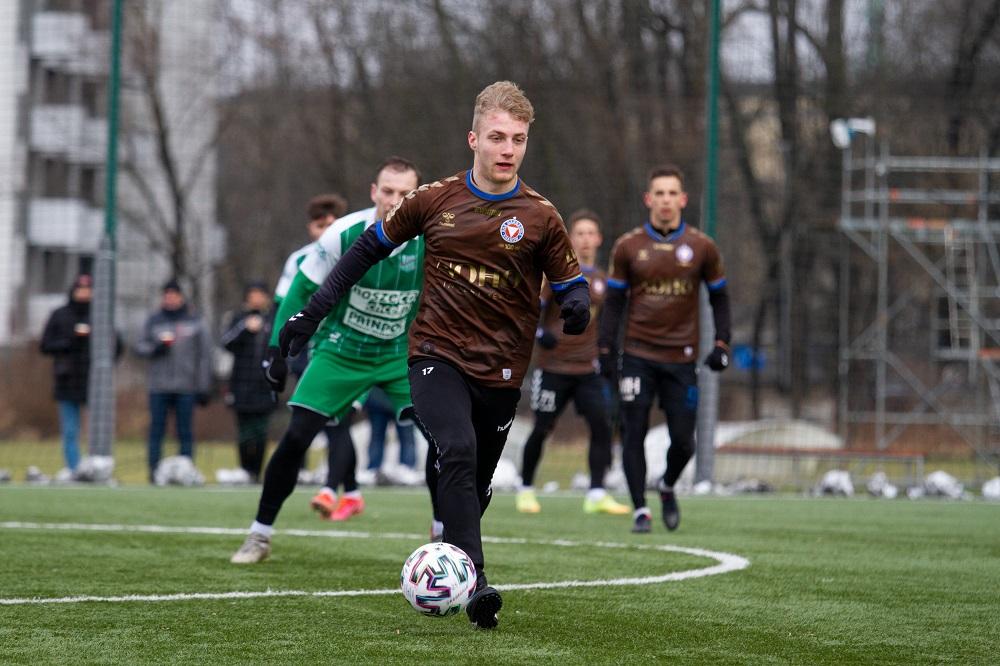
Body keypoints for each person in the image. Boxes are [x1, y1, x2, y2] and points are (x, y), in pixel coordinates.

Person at [273, 82, 590, 630]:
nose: (507, 148)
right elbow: (364, 251)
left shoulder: (540, 216)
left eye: (517, 139)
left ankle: (452, 548)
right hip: (434, 353)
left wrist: (576, 305)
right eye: (497, 136)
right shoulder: (434, 200)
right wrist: (313, 312)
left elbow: (570, 281)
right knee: (457, 449)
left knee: (477, 483)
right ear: (474, 139)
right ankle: (477, 585)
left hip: (503, 369)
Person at [230, 156, 423, 559]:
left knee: (444, 440)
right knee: (297, 436)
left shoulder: (432, 237)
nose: (395, 200)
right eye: (388, 191)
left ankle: (447, 539)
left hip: (399, 354)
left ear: (417, 196)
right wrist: (275, 351)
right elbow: (299, 290)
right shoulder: (343, 233)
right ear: (374, 192)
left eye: (405, 194)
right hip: (341, 351)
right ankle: (259, 534)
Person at [598, 164, 731, 534]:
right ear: (648, 199)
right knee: (633, 431)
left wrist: (722, 342)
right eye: (659, 193)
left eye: (673, 193)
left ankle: (668, 484)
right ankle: (640, 509)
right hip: (637, 356)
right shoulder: (628, 246)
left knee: (685, 442)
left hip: (682, 359)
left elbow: (720, 298)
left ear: (683, 199)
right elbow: (613, 303)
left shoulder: (702, 247)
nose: (666, 200)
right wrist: (605, 349)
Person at [515, 210, 630, 516]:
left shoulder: (603, 280)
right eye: (580, 233)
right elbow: (531, 310)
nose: (585, 239)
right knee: (542, 428)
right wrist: (540, 334)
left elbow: (605, 323)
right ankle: (525, 488)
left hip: (587, 368)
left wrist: (606, 354)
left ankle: (596, 493)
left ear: (599, 239)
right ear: (570, 238)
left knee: (602, 427)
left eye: (591, 233)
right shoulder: (556, 273)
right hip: (553, 367)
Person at [134, 279, 215, 482]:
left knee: (185, 431)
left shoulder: (195, 321)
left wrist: (203, 386)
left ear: (181, 297)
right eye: (167, 294)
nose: (170, 298)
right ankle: (154, 472)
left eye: (174, 294)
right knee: (156, 430)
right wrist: (156, 349)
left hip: (186, 386)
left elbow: (205, 356)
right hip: (159, 386)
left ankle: (185, 471)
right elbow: (139, 347)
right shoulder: (153, 321)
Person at [220, 282, 277, 482]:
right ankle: (244, 470)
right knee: (244, 431)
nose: (256, 299)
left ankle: (257, 473)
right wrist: (245, 328)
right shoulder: (237, 318)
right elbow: (226, 343)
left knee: (260, 431)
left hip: (265, 385)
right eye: (253, 295)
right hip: (241, 385)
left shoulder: (273, 319)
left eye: (260, 294)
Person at [39, 274, 95, 473]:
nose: (84, 293)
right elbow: (45, 345)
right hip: (67, 380)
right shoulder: (60, 315)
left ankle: (96, 467)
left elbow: (116, 346)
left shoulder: (100, 315)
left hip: (93, 380)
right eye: (81, 289)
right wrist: (71, 340)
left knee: (96, 429)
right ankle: (74, 469)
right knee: (71, 430)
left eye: (88, 289)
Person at [357, 386, 420, 486]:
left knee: (406, 437)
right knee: (377, 436)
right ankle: (373, 469)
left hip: (402, 399)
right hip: (378, 400)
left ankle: (407, 468)